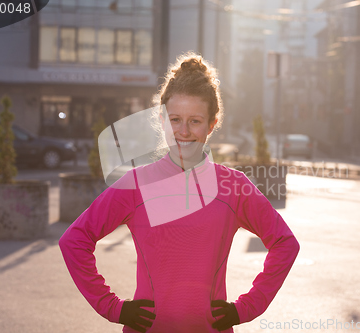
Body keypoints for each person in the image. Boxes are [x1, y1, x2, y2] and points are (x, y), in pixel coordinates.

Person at [59, 52, 300, 333]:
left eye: (195, 121)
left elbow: (285, 244)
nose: (183, 131)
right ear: (162, 121)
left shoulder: (234, 187)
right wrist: (113, 307)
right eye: (175, 120)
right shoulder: (136, 184)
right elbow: (74, 240)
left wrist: (245, 308)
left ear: (212, 124)